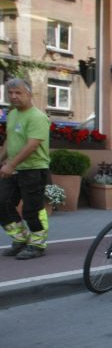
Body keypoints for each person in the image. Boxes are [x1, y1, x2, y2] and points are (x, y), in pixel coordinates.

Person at [0, 79, 52, 260]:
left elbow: (32, 145)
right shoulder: (12, 114)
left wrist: (11, 164)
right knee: (2, 203)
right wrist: (2, 161)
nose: (13, 96)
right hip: (13, 169)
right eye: (11, 93)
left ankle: (37, 245)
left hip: (33, 170)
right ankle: (20, 240)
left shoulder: (37, 117)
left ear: (29, 94)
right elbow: (10, 140)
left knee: (32, 209)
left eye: (18, 93)